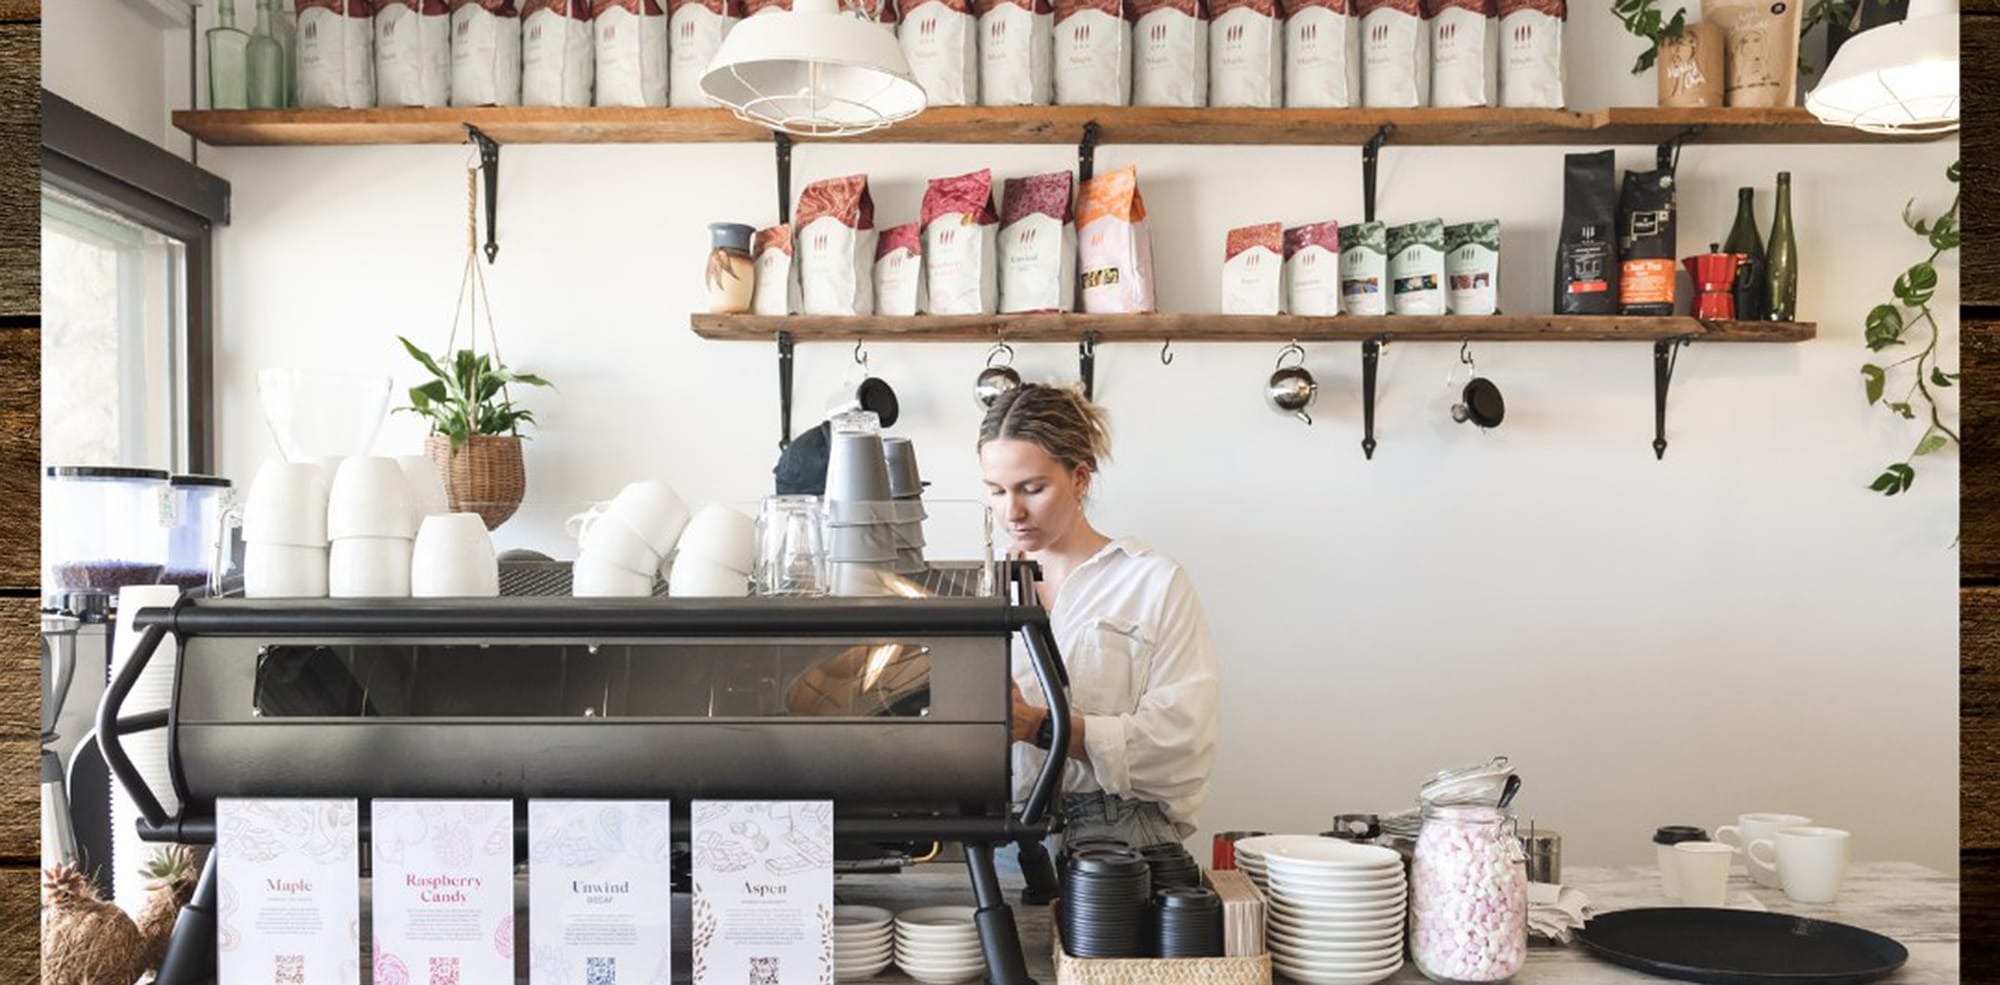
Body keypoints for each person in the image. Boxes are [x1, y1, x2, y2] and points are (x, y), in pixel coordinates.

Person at [978, 383, 1221, 851]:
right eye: (996, 491)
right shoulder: (978, 589)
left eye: (1032, 488)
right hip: (1003, 836)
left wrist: (1040, 726)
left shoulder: (1152, 583)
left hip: (1121, 834)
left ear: (1080, 478)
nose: (1013, 511)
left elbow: (1181, 746)